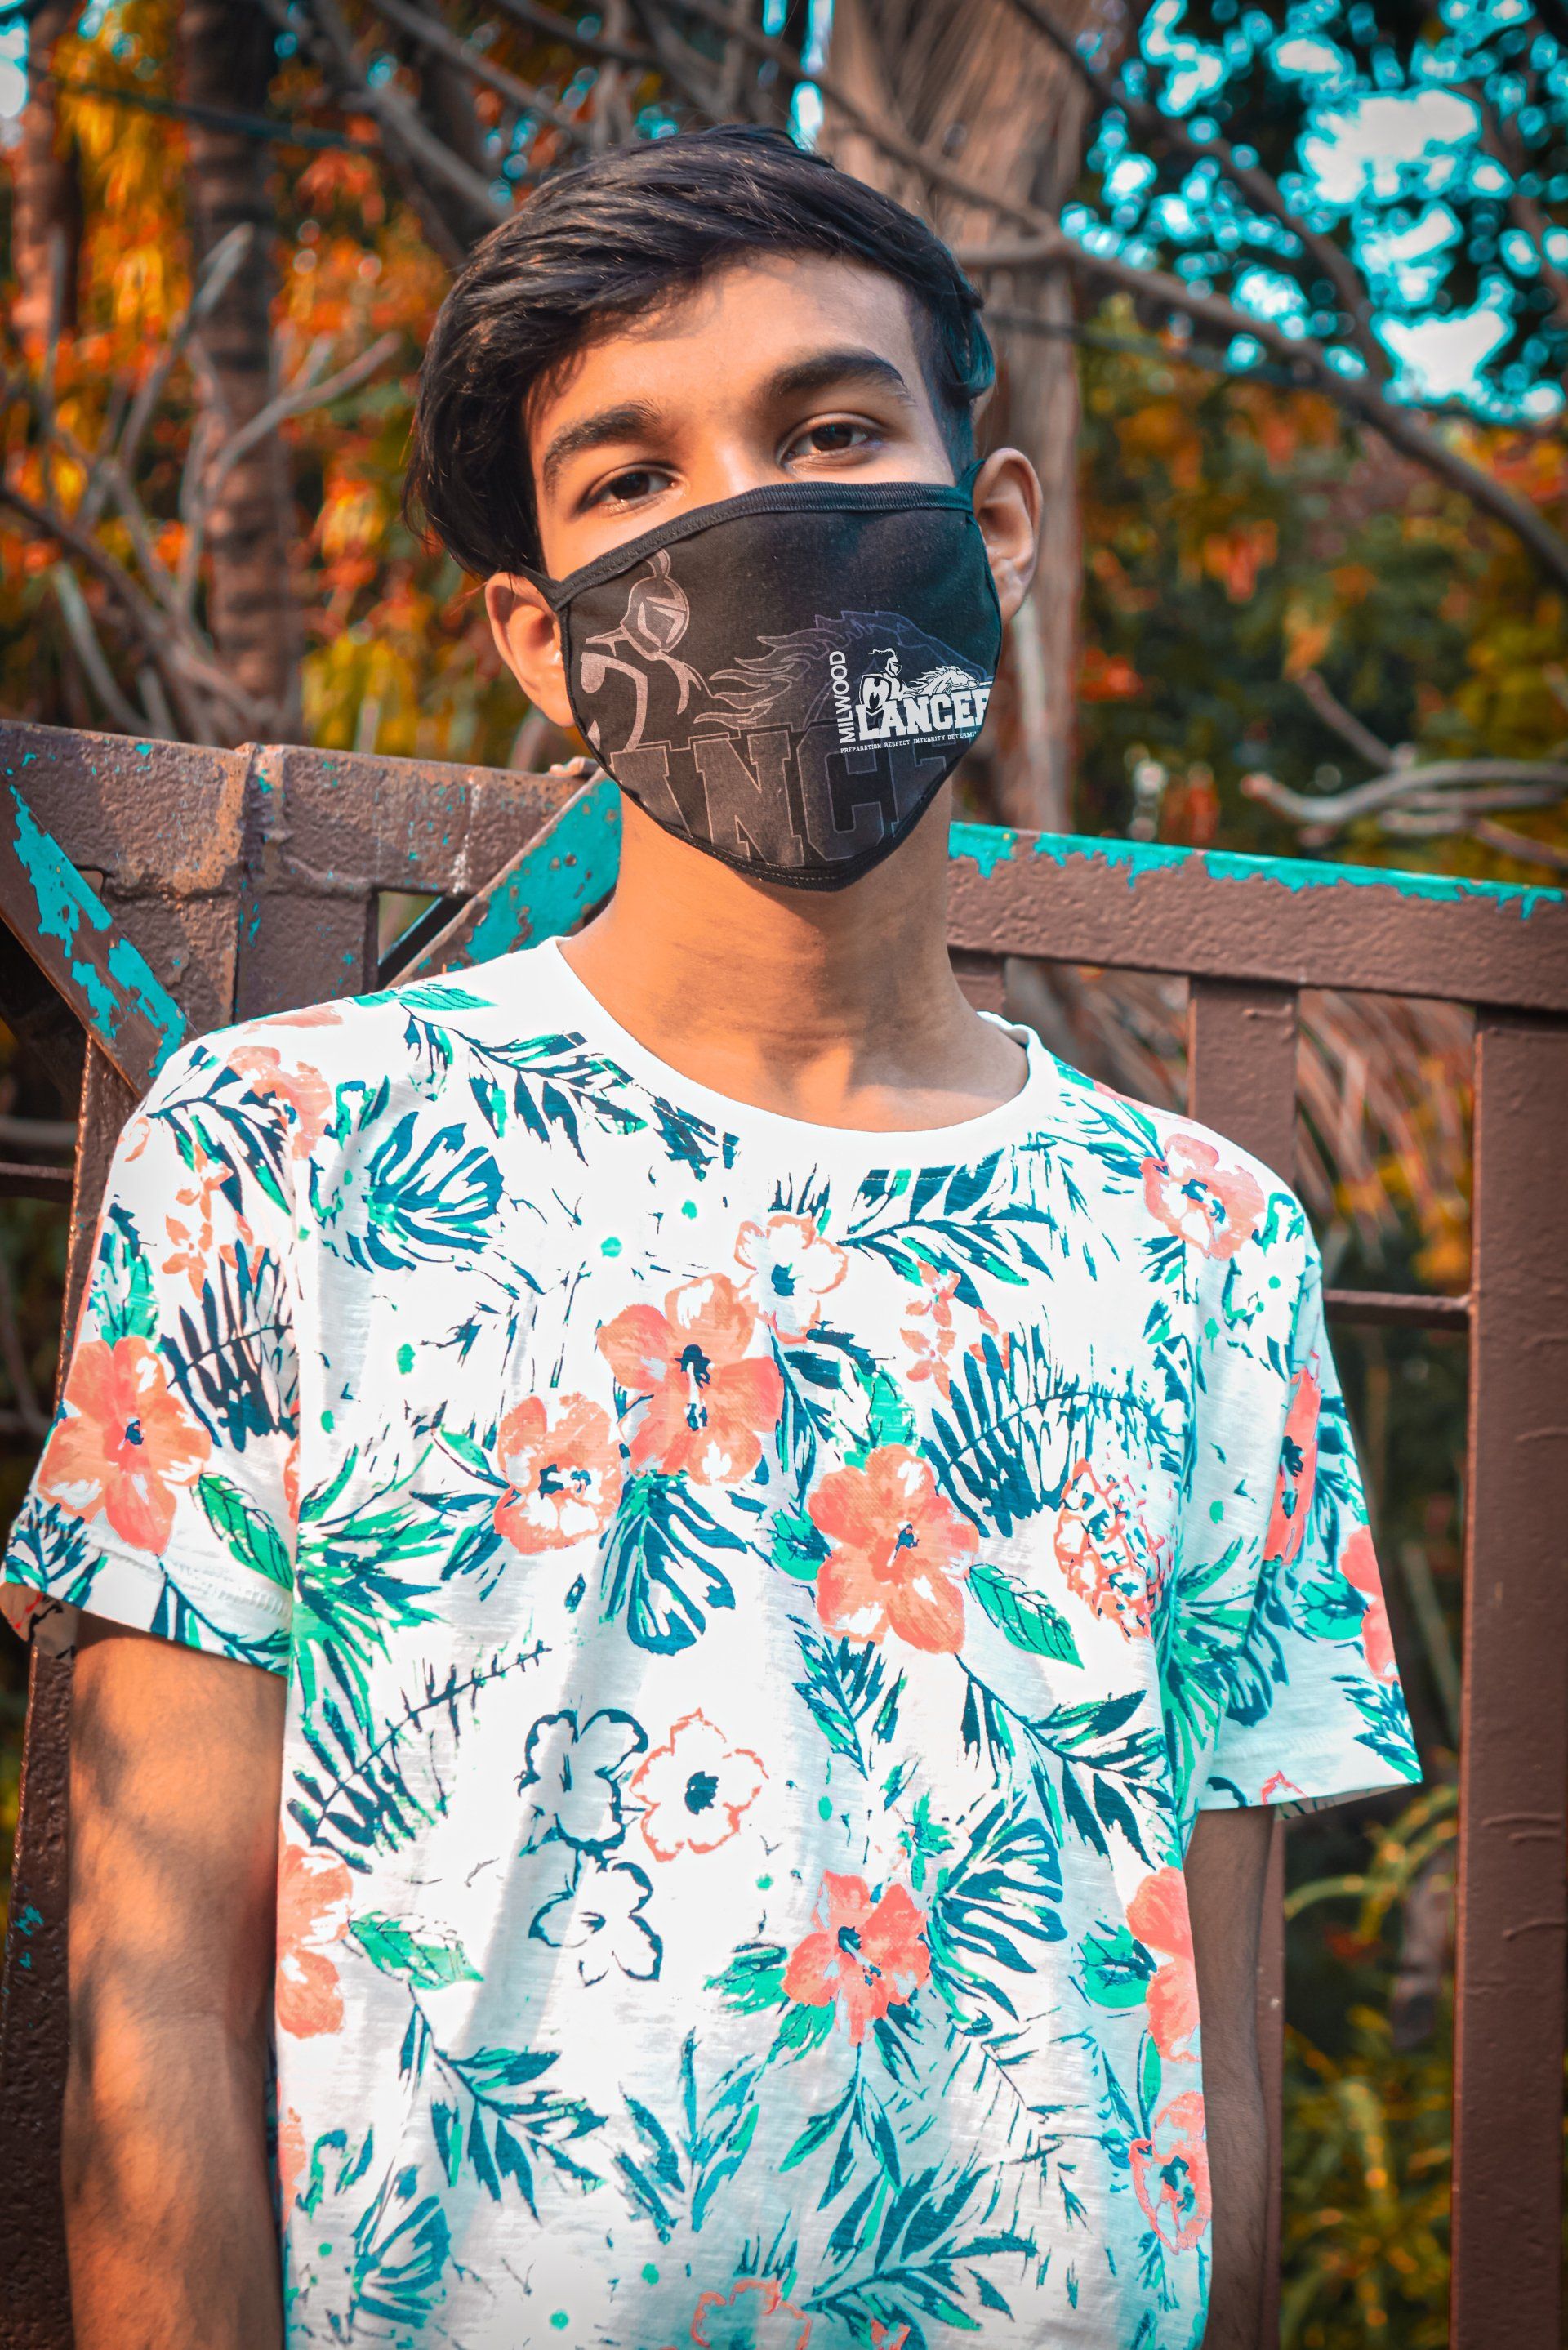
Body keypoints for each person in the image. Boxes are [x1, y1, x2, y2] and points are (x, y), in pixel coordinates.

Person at [2, 124, 1419, 2350]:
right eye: (631, 479)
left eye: (834, 429)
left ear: (999, 527)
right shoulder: (289, 1153)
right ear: (542, 642)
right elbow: (150, 1998)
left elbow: (1219, 2034)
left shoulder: (1206, 1239)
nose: (749, 519)